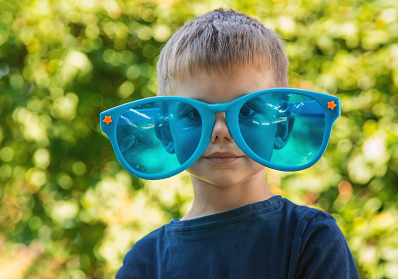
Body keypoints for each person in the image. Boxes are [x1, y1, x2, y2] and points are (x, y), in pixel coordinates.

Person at [100, 8, 359, 278]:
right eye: (193, 113)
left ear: (281, 127)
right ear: (166, 133)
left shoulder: (312, 239)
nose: (220, 131)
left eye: (246, 110)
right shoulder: (144, 262)